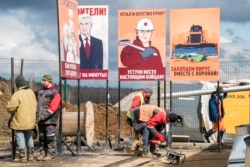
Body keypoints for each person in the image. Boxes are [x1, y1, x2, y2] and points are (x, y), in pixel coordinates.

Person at [7, 75, 37, 163]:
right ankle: (31, 156)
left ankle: (23, 157)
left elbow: (11, 109)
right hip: (30, 120)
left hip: (20, 121)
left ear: (17, 84)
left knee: (20, 137)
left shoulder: (17, 94)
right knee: (29, 137)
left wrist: (9, 104)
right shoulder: (31, 92)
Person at [36, 74, 61, 161]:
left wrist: (43, 116)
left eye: (44, 80)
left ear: (49, 81)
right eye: (42, 80)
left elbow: (53, 108)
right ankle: (43, 153)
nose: (43, 82)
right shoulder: (40, 92)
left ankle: (51, 154)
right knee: (42, 137)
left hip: (50, 120)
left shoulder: (55, 93)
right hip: (41, 120)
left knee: (50, 137)